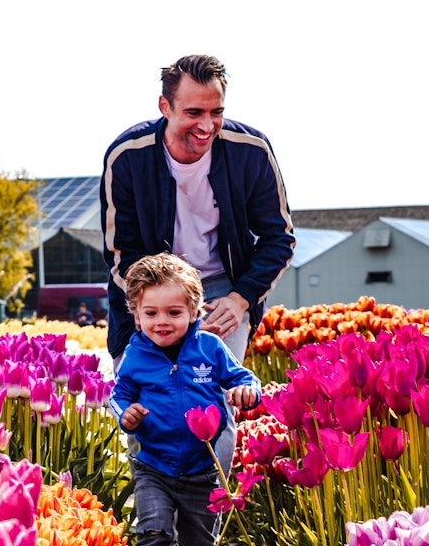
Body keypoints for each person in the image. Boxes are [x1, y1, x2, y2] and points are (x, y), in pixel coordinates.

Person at [100, 54, 295, 367]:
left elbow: (278, 238)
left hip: (221, 292)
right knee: (145, 406)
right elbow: (123, 254)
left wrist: (240, 299)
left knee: (214, 401)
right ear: (165, 107)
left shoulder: (251, 151)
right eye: (194, 112)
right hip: (148, 296)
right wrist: (167, 312)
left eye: (216, 112)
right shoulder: (127, 157)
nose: (207, 125)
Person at [108, 253, 260, 546]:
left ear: (194, 310)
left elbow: (242, 377)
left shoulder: (209, 348)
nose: (162, 321)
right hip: (154, 464)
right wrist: (127, 414)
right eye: (151, 312)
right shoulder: (136, 354)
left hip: (202, 470)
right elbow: (120, 395)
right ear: (136, 314)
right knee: (152, 533)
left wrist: (247, 391)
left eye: (174, 312)